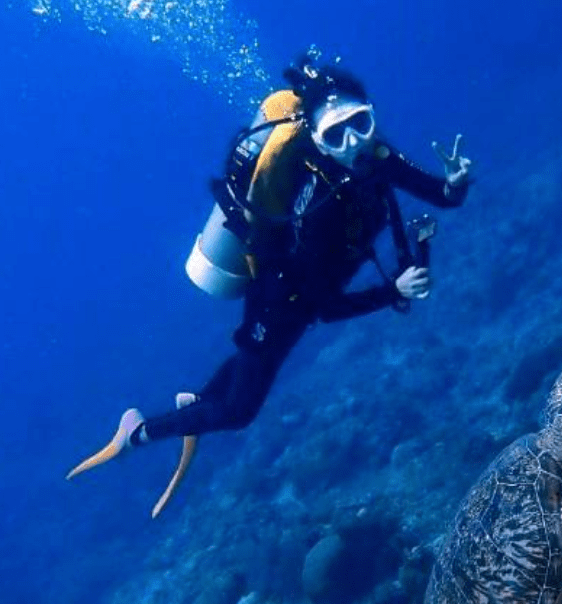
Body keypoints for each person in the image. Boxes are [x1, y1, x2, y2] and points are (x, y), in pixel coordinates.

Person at [67, 47, 473, 516]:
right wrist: (392, 292)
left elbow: (441, 196)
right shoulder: (319, 206)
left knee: (251, 366)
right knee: (238, 412)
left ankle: (196, 401)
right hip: (279, 302)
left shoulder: (375, 157)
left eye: (360, 124)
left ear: (371, 116)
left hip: (308, 295)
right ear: (316, 139)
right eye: (335, 134)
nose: (352, 143)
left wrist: (455, 182)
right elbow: (326, 307)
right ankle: (137, 433)